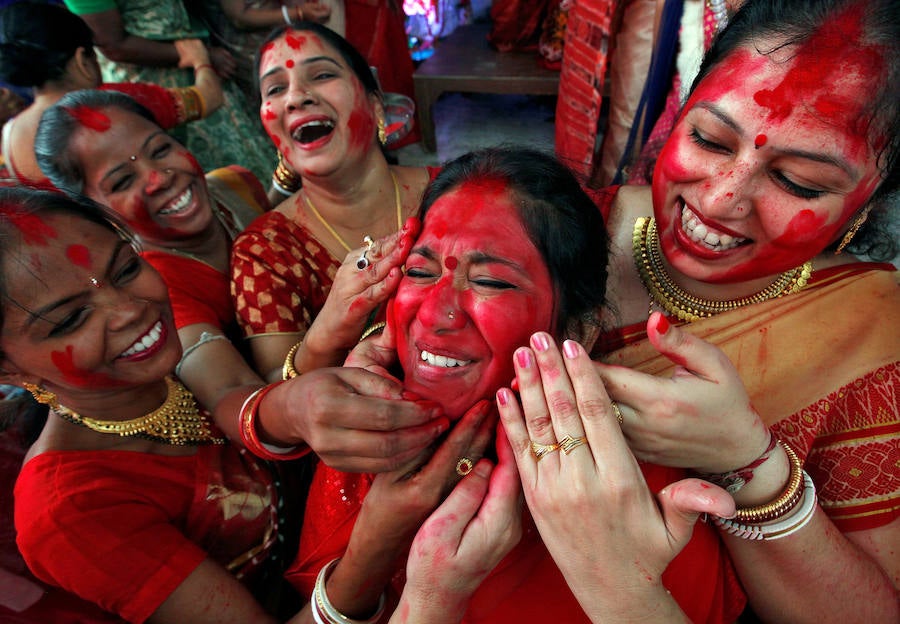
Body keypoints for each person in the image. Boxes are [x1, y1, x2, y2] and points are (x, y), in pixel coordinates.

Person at [284, 146, 747, 623]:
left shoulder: (631, 495)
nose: (433, 315)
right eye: (419, 273)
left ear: (576, 333)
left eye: (490, 282)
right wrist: (373, 551)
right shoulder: (366, 433)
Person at [0, 185, 485, 624]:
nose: (130, 310)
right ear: (8, 371)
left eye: (126, 269)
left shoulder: (160, 353)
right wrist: (379, 538)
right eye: (69, 320)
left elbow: (241, 400)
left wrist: (330, 333)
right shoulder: (67, 512)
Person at [588, 0, 899, 620]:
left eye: (800, 183)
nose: (723, 198)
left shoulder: (870, 327)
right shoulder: (550, 235)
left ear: (865, 205)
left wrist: (747, 463)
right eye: (708, 139)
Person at [35, 88, 446, 473]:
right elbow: (227, 390)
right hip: (299, 445)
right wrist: (300, 395)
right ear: (93, 211)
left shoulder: (233, 185)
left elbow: (279, 232)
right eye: (122, 182)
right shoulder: (156, 286)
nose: (159, 177)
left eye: (160, 150)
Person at [230, 22, 438, 399]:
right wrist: (327, 333)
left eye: (322, 75)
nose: (296, 98)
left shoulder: (453, 191)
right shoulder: (264, 250)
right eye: (276, 88)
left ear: (375, 105)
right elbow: (277, 394)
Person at [0, 0, 223, 188]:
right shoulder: (113, 105)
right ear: (82, 60)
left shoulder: (10, 137)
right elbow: (209, 97)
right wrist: (200, 60)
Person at [61, 0, 276, 183]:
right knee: (202, 176)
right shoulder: (147, 99)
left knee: (252, 165)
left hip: (204, 69)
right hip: (156, 82)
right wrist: (195, 56)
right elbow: (113, 44)